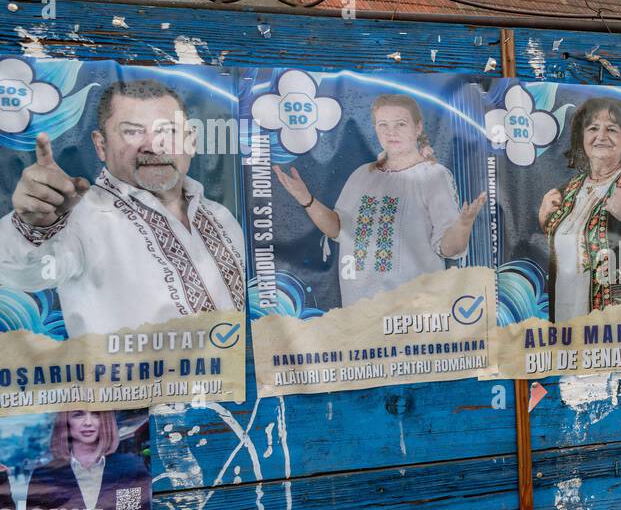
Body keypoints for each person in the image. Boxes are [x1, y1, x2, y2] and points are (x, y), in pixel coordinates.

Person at [0, 80, 245, 336]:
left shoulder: (221, 216)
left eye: (169, 130)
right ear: (101, 145)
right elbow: (18, 273)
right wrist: (32, 225)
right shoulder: (79, 217)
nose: (153, 145)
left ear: (191, 141)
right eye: (132, 131)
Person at [275, 93, 487, 308]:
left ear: (418, 127)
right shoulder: (362, 175)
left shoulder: (434, 176)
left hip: (414, 313)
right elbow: (338, 229)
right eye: (382, 124)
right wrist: (306, 199)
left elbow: (449, 248)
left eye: (401, 124)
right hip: (360, 313)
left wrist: (463, 225)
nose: (391, 132)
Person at [537, 97, 621, 322]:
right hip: (567, 325)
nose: (601, 136)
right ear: (581, 138)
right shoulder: (569, 191)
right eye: (593, 128)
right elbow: (572, 254)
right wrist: (546, 224)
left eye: (612, 129)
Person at [25, 411, 149, 510]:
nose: (88, 423)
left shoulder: (130, 467)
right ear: (65, 422)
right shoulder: (44, 475)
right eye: (78, 415)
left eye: (96, 414)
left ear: (105, 420)